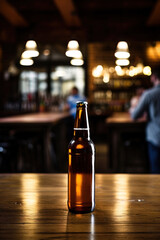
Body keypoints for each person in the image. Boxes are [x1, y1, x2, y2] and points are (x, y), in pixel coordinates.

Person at [131, 67, 160, 173]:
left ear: (154, 77)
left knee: (156, 173)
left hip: (156, 137)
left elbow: (135, 115)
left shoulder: (149, 94)